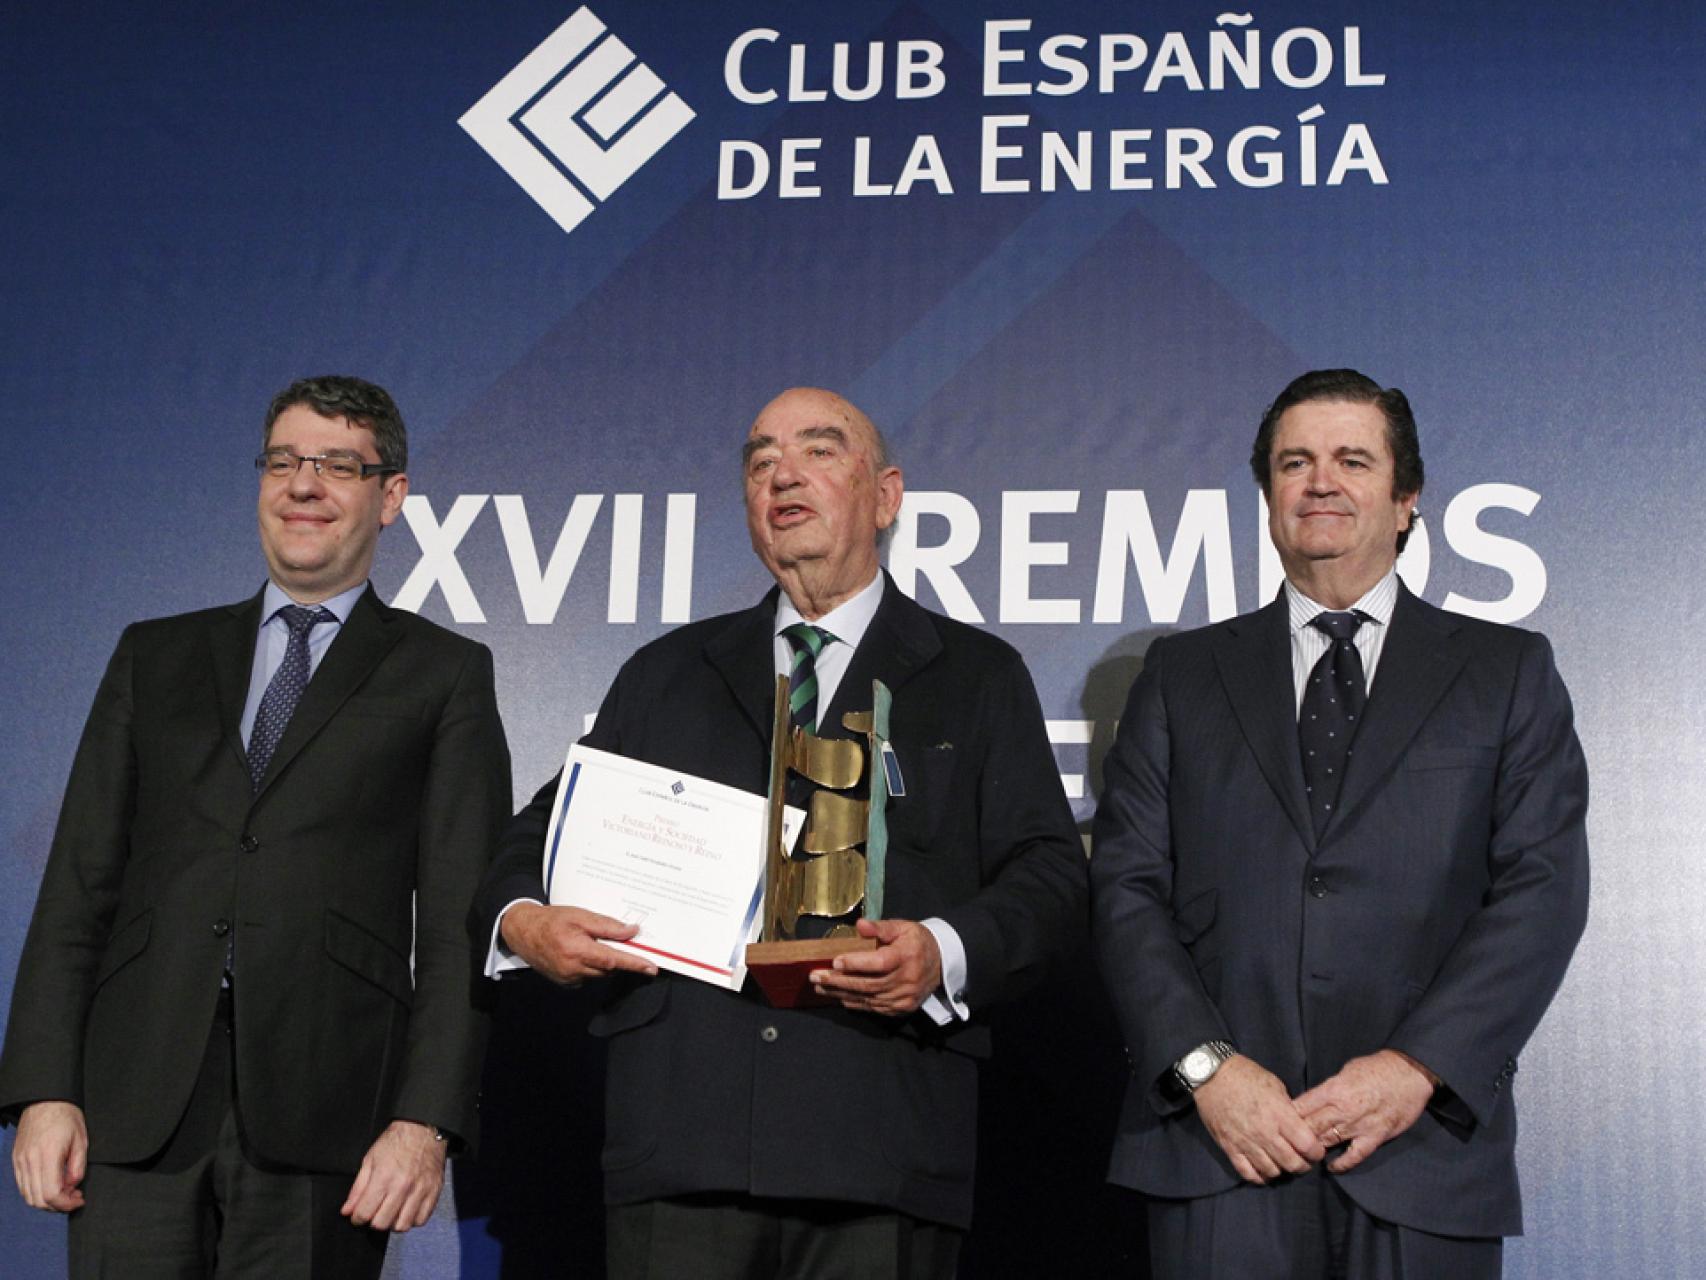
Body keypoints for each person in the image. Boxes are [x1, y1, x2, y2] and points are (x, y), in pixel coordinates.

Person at [473, 386, 1085, 1278]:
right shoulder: (667, 673)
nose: (783, 476)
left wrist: (941, 952)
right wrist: (525, 922)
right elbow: (540, 836)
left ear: (885, 496)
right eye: (761, 461)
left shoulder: (976, 676)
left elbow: (1050, 876)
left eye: (819, 451)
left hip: (878, 1146)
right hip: (684, 1148)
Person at [0, 375, 512, 1278]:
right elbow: (78, 884)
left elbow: (457, 926)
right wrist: (43, 1089)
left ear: (390, 495)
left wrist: (424, 1121)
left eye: (337, 466)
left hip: (326, 1112)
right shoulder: (153, 654)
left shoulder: (444, 674)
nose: (302, 485)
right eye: (282, 462)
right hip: (134, 1105)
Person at [1090, 369, 1589, 1278]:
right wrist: (1206, 1068)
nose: (1321, 482)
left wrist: (1415, 1067)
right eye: (1295, 463)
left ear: (1406, 500)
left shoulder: (1506, 671)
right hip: (1222, 1151)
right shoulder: (1180, 676)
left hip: (1421, 1151)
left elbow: (1542, 892)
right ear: (1268, 495)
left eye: (1353, 461)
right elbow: (1125, 889)